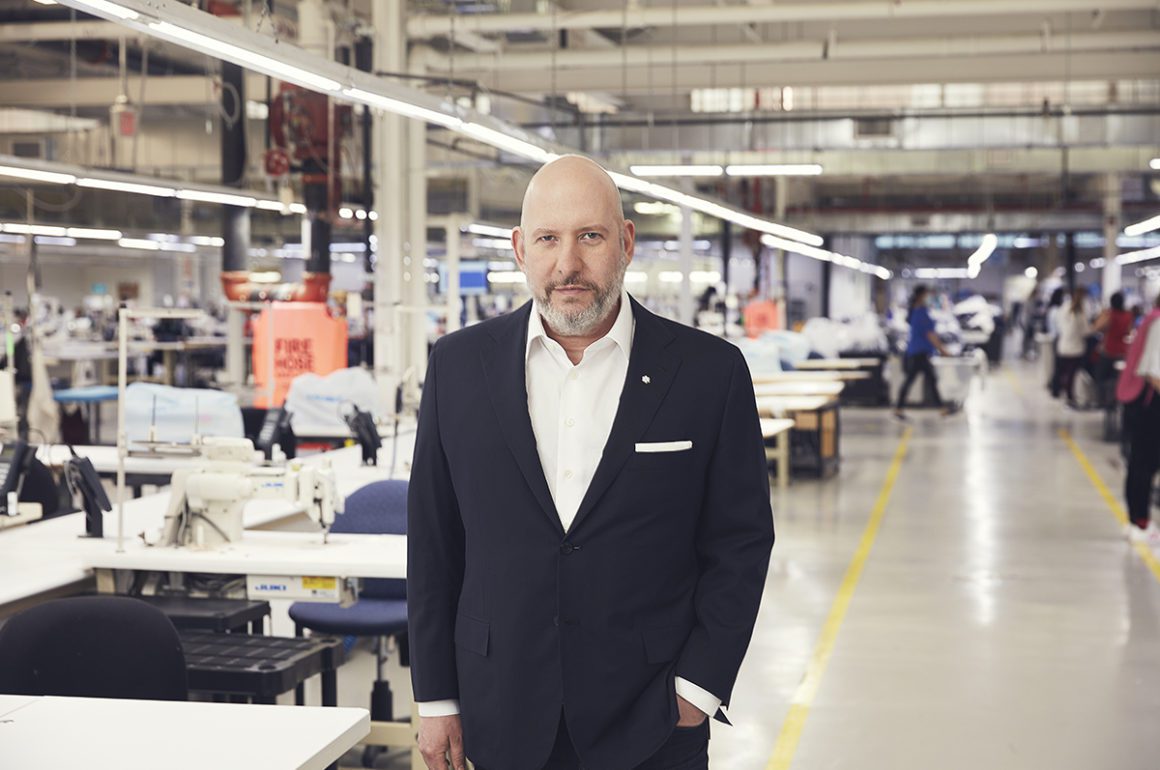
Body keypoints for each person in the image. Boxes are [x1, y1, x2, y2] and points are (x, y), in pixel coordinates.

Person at [407, 155, 775, 770]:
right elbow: (433, 543)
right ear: (520, 249)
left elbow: (740, 542)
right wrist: (437, 698)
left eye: (590, 237)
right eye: (548, 239)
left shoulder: (710, 373)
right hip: (499, 706)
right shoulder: (458, 367)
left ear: (626, 242)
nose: (568, 264)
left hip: (652, 717)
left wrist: (698, 688)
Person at [1119, 292, 1160, 545]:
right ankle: (1140, 521)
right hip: (1149, 403)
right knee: (1145, 463)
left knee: (1141, 463)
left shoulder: (1151, 319)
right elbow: (1153, 373)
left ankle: (1136, 520)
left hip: (1143, 401)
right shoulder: (1159, 324)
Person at [894, 285, 958, 420]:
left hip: (918, 352)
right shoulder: (921, 313)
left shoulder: (916, 311)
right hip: (919, 354)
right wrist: (943, 350)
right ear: (920, 296)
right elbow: (930, 335)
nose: (929, 297)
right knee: (921, 380)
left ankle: (941, 409)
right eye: (927, 294)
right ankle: (899, 409)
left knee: (928, 380)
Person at [1092, 291, 1134, 405]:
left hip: (1108, 349)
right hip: (1122, 350)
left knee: (1100, 377)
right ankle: (1115, 400)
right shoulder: (1128, 315)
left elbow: (1096, 327)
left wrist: (1102, 315)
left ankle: (1103, 401)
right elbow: (1128, 332)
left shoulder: (1109, 314)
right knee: (1117, 379)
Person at [1054, 287, 1091, 407]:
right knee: (1072, 374)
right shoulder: (1080, 312)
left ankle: (1063, 393)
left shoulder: (1065, 307)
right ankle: (1070, 396)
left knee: (1064, 373)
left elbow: (1058, 325)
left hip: (1063, 346)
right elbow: (1085, 331)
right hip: (1075, 349)